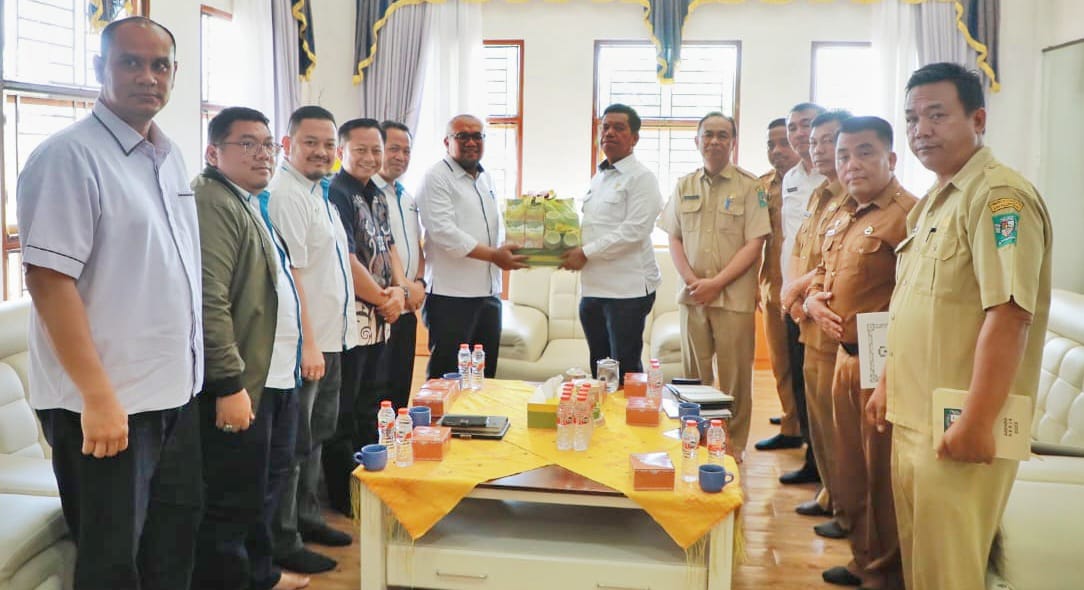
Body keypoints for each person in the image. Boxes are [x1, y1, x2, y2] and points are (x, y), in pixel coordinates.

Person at [15, 16, 203, 590]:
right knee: (111, 563)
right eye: (130, 62)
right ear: (100, 68)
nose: (148, 76)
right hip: (106, 408)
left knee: (173, 544)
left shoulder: (167, 155)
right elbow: (49, 281)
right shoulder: (68, 157)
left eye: (160, 65)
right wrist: (97, 397)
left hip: (173, 393)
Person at [867, 62, 1053, 590]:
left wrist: (976, 420)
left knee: (950, 575)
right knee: (922, 570)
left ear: (978, 119)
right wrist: (887, 383)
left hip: (956, 428)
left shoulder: (999, 198)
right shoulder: (933, 202)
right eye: (911, 119)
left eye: (937, 115)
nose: (921, 130)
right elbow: (916, 308)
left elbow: (1009, 314)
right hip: (913, 419)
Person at [192, 107, 308, 590]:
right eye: (247, 144)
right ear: (213, 152)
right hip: (240, 381)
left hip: (272, 374)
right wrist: (228, 383)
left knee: (261, 487)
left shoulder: (248, 200)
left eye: (267, 144)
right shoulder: (212, 201)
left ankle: (259, 574)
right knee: (231, 498)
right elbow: (210, 299)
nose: (263, 154)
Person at [806, 116, 916, 589]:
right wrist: (811, 301)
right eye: (844, 155)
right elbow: (821, 270)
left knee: (880, 476)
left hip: (884, 365)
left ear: (890, 158)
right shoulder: (844, 212)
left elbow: (916, 297)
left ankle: (885, 572)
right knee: (849, 470)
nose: (852, 164)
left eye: (864, 153)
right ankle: (862, 559)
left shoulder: (908, 215)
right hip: (846, 357)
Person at [267, 105, 356, 574]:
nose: (322, 151)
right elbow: (293, 276)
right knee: (294, 445)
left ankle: (307, 519)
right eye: (311, 143)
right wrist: (307, 343)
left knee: (316, 437)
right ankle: (284, 539)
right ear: (288, 145)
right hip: (308, 345)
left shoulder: (319, 193)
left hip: (330, 338)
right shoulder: (286, 195)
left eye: (328, 144)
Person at [659, 111, 769, 458]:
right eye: (708, 134)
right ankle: (697, 437)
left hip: (733, 298)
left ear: (733, 142)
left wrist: (716, 283)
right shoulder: (684, 185)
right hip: (694, 298)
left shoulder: (751, 187)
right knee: (693, 377)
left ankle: (733, 445)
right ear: (697, 141)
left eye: (723, 135)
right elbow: (674, 237)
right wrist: (694, 282)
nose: (715, 141)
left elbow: (755, 243)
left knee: (736, 379)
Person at [324, 118, 408, 516]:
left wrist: (399, 291)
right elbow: (346, 258)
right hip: (352, 320)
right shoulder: (336, 192)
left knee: (373, 405)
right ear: (342, 151)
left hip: (381, 318)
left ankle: (371, 485)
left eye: (376, 149)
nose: (370, 157)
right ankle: (345, 498)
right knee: (346, 411)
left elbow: (389, 247)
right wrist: (383, 298)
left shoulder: (376, 192)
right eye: (361, 150)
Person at [784, 110, 853, 541]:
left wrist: (799, 289)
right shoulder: (820, 196)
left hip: (835, 325)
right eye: (815, 142)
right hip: (809, 319)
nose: (820, 149)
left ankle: (846, 505)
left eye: (829, 141)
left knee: (838, 425)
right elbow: (802, 251)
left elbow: (835, 261)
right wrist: (794, 294)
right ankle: (830, 493)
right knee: (819, 421)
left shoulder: (855, 198)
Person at [416, 114, 527, 379]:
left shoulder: (485, 178)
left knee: (484, 376)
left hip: (489, 293)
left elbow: (492, 228)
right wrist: (494, 255)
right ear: (447, 141)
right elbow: (444, 232)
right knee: (447, 376)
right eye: (462, 136)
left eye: (477, 136)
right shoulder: (436, 177)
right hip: (451, 298)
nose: (471, 142)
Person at [561, 104, 662, 382]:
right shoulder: (600, 177)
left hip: (626, 292)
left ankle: (631, 413)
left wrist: (585, 252)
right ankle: (601, 411)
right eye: (605, 127)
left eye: (619, 128)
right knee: (600, 370)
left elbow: (634, 230)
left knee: (626, 369)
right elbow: (594, 227)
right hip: (593, 289)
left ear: (634, 138)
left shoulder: (642, 178)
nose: (609, 133)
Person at [771, 103, 827, 490]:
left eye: (807, 125)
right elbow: (790, 239)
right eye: (793, 127)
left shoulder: (835, 174)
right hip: (792, 295)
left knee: (821, 389)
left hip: (822, 295)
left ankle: (825, 466)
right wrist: (786, 290)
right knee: (799, 382)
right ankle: (811, 456)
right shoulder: (790, 178)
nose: (799, 133)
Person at [755, 118, 804, 451]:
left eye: (784, 143)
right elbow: (755, 238)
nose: (777, 151)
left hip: (806, 288)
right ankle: (791, 418)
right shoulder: (761, 187)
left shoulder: (820, 182)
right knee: (780, 359)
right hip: (773, 285)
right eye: (771, 145)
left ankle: (801, 422)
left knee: (807, 364)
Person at [374, 120, 426, 407]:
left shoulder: (407, 197)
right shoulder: (369, 193)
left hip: (408, 309)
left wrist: (419, 283)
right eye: (394, 149)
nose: (401, 157)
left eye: (406, 151)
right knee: (377, 396)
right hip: (383, 306)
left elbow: (416, 244)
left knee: (400, 392)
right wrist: (404, 287)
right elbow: (382, 247)